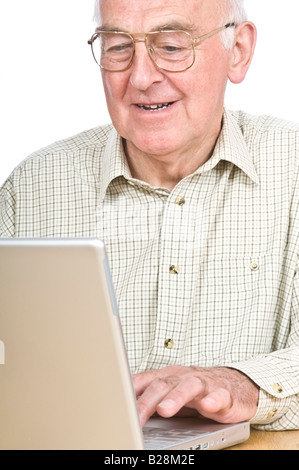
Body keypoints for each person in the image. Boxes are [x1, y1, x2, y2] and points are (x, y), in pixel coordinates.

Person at [0, 0, 298, 432]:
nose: (140, 78)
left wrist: (242, 384)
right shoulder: (31, 189)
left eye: (172, 46)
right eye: (118, 46)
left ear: (239, 51)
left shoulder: (292, 169)